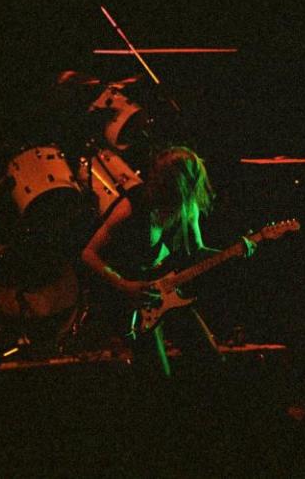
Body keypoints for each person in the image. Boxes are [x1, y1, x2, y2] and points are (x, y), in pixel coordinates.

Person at [81, 146, 254, 377]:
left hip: (165, 290)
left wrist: (235, 250)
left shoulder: (186, 206)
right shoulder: (132, 206)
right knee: (158, 373)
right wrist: (124, 285)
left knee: (210, 359)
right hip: (129, 296)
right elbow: (89, 253)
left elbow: (197, 251)